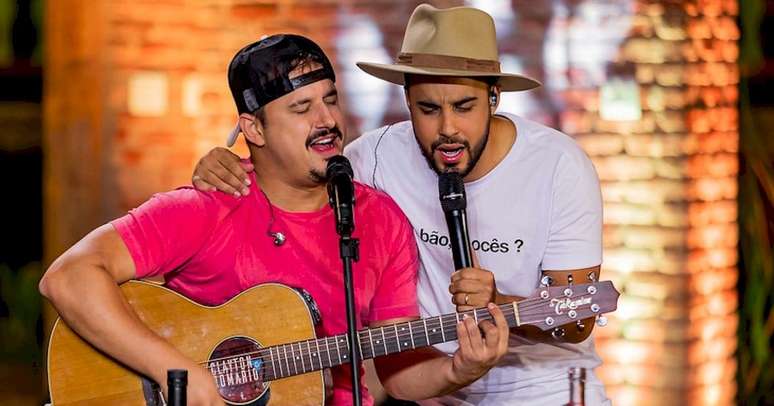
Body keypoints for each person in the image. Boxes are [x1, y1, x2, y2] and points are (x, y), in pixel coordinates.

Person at [39, 34, 511, 406]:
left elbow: (397, 372)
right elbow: (67, 277)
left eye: (330, 100)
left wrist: (461, 369)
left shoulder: (380, 219)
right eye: (302, 109)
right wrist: (174, 373)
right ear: (254, 129)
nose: (326, 120)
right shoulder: (209, 205)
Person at [192, 5, 611, 406]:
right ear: (408, 102)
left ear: (494, 97)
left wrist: (499, 302)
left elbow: (576, 321)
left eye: (463, 107)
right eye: (428, 109)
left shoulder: (557, 166)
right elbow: (293, 178)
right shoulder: (374, 159)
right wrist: (226, 165)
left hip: (550, 393)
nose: (447, 128)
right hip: (432, 391)